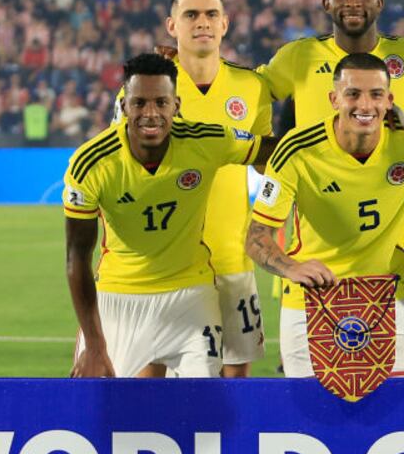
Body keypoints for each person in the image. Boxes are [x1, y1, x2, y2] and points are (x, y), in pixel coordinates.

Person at [258, 0, 404, 373]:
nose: (352, 1)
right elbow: (249, 91)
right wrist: (261, 151)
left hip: (399, 231)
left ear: (380, 2)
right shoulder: (298, 57)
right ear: (326, 3)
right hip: (321, 229)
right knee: (319, 367)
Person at [246, 53, 404, 377]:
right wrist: (293, 267)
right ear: (334, 99)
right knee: (313, 420)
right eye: (353, 94)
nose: (365, 104)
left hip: (385, 295)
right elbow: (257, 236)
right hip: (312, 299)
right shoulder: (297, 150)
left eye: (376, 95)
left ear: (390, 100)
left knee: (398, 410)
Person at [65, 54, 275, 377]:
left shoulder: (206, 140)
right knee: (101, 410)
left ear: (176, 105)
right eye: (139, 103)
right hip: (119, 296)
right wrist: (94, 346)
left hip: (190, 294)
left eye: (161, 102)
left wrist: (342, 133)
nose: (150, 114)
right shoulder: (91, 163)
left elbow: (274, 149)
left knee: (202, 404)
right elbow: (77, 257)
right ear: (124, 107)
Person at [121, 0, 272, 378]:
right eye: (191, 14)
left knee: (235, 376)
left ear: (225, 24)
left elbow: (266, 164)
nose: (202, 22)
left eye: (211, 14)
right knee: (148, 375)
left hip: (231, 253)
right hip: (167, 259)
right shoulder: (149, 88)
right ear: (172, 25)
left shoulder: (252, 86)